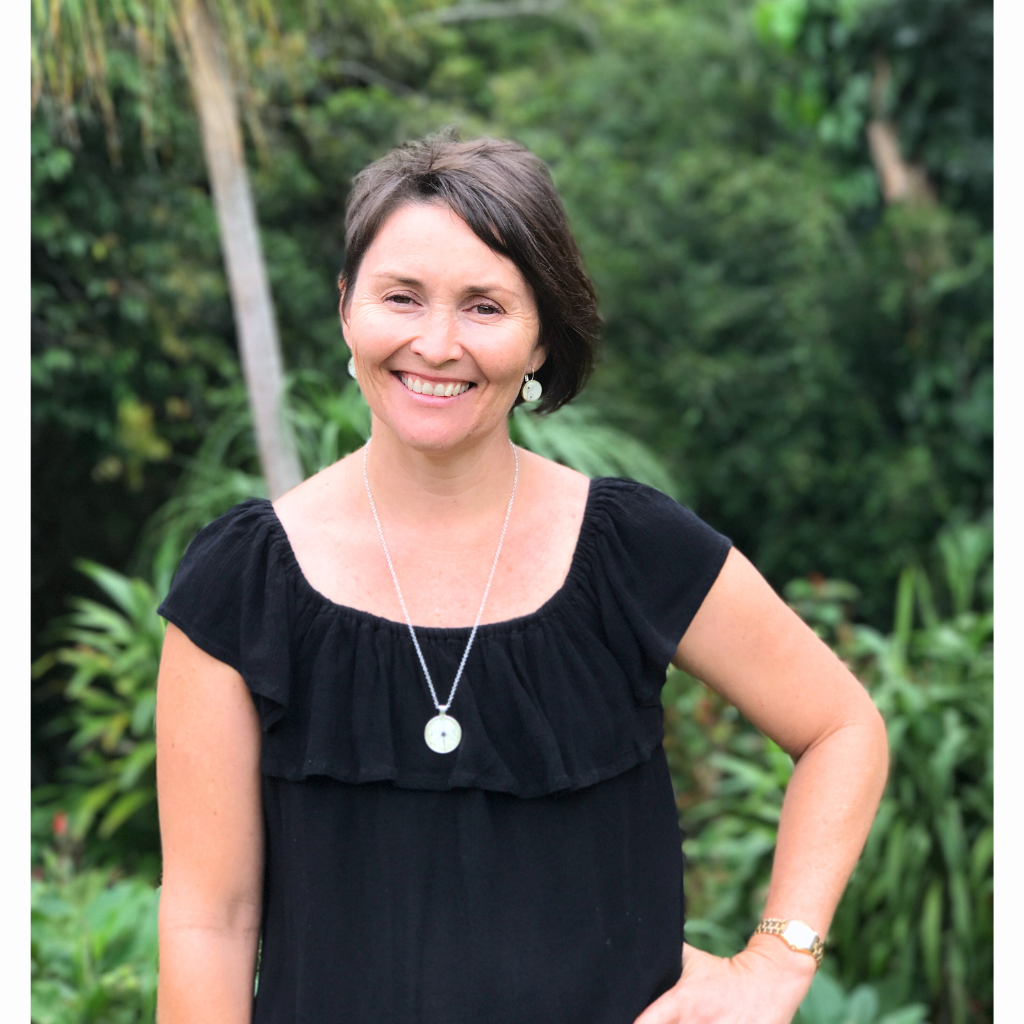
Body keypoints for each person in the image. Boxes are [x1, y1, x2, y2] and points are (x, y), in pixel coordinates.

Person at [154, 132, 889, 1024]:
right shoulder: (243, 585)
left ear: (541, 338)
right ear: (347, 308)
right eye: (402, 297)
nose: (437, 342)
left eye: (485, 306)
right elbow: (209, 921)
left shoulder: (631, 549)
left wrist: (777, 962)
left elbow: (842, 726)